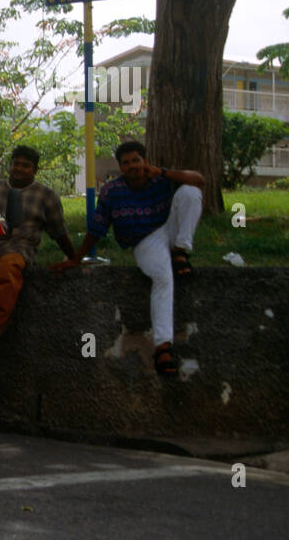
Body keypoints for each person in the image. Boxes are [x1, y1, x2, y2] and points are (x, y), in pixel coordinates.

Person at [51, 141, 204, 377]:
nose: (132, 166)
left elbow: (199, 180)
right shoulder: (112, 191)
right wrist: (77, 258)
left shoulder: (161, 179)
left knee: (190, 192)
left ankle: (181, 251)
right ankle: (163, 347)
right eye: (126, 163)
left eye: (136, 160)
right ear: (120, 167)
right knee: (163, 277)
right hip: (144, 242)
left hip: (169, 230)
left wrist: (162, 172)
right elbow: (97, 227)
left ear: (144, 160)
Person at [0, 145, 79, 351]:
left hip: (18, 250)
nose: (19, 169)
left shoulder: (46, 195)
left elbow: (59, 232)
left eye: (25, 166)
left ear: (35, 170)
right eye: (16, 164)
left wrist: (74, 258)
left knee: (6, 274)